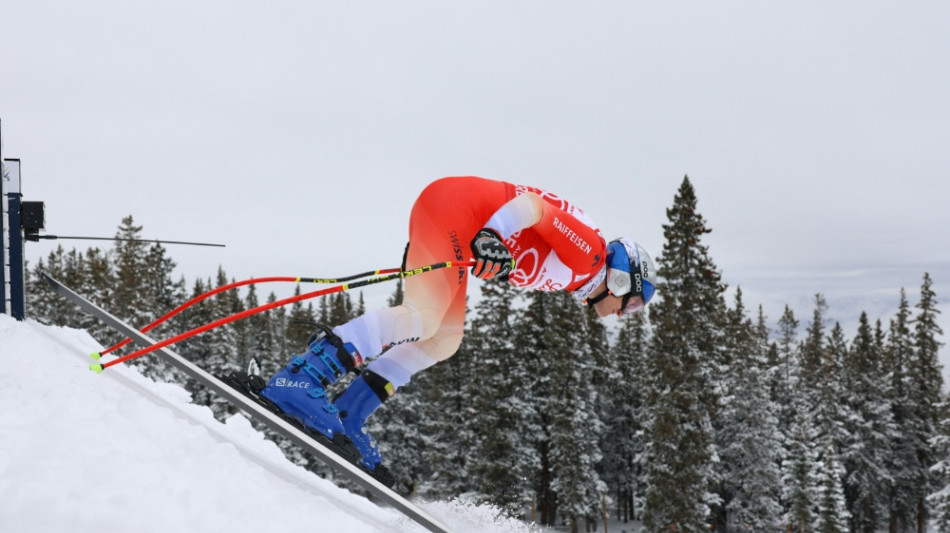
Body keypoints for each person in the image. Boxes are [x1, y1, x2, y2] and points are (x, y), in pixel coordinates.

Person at [240, 176, 656, 481]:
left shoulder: (580, 274)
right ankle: (299, 379)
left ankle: (349, 414)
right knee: (423, 316)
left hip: (456, 220)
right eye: (633, 301)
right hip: (455, 212)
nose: (625, 312)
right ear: (621, 278)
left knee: (443, 338)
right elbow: (534, 207)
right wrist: (495, 234)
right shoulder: (590, 255)